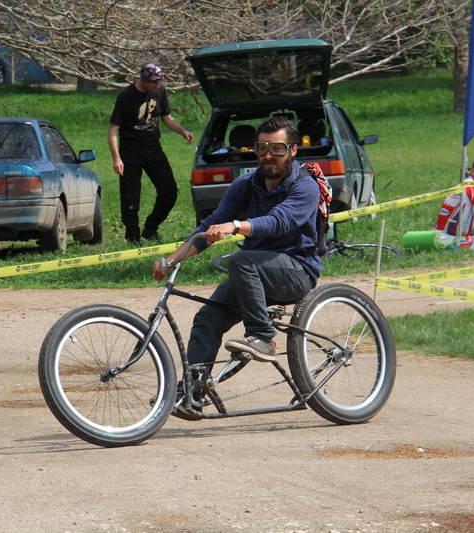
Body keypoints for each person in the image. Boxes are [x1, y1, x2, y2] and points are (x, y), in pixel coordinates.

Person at [152, 117, 321, 401]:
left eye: (277, 148)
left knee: (241, 260)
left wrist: (235, 226)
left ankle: (263, 337)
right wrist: (171, 261)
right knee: (207, 319)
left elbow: (279, 221)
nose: (268, 155)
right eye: (261, 148)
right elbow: (209, 226)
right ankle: (193, 392)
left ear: (293, 150)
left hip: (297, 270)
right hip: (255, 272)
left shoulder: (305, 187)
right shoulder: (246, 184)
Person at [108, 62, 194, 244]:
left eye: (159, 82)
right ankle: (133, 238)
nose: (157, 85)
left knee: (169, 192)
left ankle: (150, 228)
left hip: (153, 148)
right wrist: (117, 159)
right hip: (130, 151)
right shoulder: (125, 96)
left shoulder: (159, 90)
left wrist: (183, 131)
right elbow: (113, 131)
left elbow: (167, 118)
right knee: (131, 198)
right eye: (154, 82)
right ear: (144, 80)